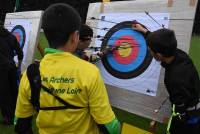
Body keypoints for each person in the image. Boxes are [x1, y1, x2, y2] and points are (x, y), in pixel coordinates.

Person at [15, 3, 120, 134]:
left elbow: (21, 124)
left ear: (46, 34)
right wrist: (117, 126)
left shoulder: (30, 74)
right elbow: (110, 127)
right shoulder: (90, 72)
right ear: (75, 36)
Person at [133, 24, 200, 134]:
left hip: (189, 116)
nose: (149, 51)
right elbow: (161, 43)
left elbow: (180, 108)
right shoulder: (178, 53)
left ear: (159, 56)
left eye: (150, 50)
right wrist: (144, 31)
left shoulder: (174, 79)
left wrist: (179, 118)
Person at [0, 21, 23, 125]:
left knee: (4, 93)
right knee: (14, 91)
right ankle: (17, 113)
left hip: (2, 69)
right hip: (12, 67)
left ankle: (8, 118)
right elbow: (20, 52)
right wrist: (19, 65)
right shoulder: (10, 36)